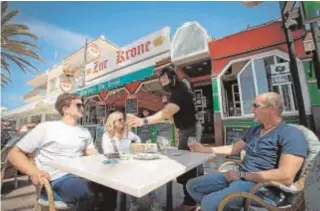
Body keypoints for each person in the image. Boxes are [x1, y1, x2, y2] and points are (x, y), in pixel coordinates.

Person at [187, 92, 308, 211]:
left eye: (256, 106)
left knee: (208, 202)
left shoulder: (291, 134)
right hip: (239, 177)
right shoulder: (254, 130)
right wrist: (205, 149)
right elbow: (233, 148)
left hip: (262, 188)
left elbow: (286, 176)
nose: (252, 110)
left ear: (272, 109)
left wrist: (242, 175)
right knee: (192, 186)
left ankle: (214, 205)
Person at [7, 93, 116, 211]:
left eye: (83, 105)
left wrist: (109, 160)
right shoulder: (46, 128)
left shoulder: (84, 131)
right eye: (79, 105)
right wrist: (34, 172)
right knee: (89, 194)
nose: (83, 108)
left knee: (113, 188)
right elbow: (14, 153)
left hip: (81, 175)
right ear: (65, 109)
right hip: (56, 179)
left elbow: (91, 152)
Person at [126, 66, 201, 211]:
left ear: (172, 77)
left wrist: (143, 121)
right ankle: (192, 199)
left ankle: (191, 202)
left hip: (190, 129)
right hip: (186, 129)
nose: (163, 83)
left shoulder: (179, 90)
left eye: (165, 79)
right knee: (188, 164)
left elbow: (166, 113)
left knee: (190, 165)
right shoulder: (177, 90)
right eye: (161, 81)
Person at [102, 111, 164, 211]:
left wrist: (136, 147)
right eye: (120, 119)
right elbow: (109, 154)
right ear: (113, 122)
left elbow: (138, 140)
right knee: (129, 175)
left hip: (131, 163)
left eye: (123, 119)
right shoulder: (107, 136)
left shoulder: (128, 133)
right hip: (116, 166)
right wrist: (125, 158)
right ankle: (133, 203)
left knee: (147, 173)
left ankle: (153, 202)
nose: (123, 121)